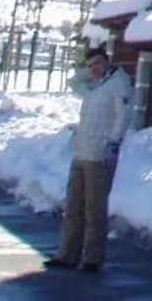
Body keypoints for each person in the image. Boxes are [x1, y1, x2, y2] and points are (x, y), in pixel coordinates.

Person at [46, 45, 133, 272]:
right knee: (74, 206)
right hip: (82, 152)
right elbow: (74, 83)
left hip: (99, 155)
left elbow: (123, 115)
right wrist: (89, 70)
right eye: (90, 65)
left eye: (98, 64)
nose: (94, 69)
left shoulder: (118, 84)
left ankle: (93, 257)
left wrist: (113, 142)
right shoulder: (94, 86)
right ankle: (68, 254)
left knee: (94, 208)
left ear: (108, 62)